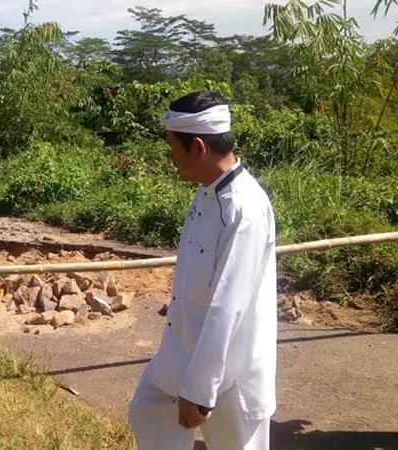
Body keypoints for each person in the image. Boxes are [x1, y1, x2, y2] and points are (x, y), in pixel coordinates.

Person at [127, 91, 278, 450]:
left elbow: (229, 306)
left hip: (231, 368)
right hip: (183, 352)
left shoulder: (244, 209)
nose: (170, 158)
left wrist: (199, 392)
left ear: (197, 147)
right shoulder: (206, 194)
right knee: (147, 413)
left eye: (172, 149)